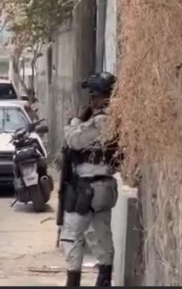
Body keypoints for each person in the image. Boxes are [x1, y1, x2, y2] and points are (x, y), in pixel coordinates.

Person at [60, 72, 120, 287]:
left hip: (87, 187)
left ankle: (73, 281)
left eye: (92, 96)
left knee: (72, 235)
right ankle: (104, 279)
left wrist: (74, 122)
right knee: (101, 235)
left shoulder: (102, 120)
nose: (90, 100)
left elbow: (74, 140)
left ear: (99, 96)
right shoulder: (116, 119)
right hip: (104, 187)